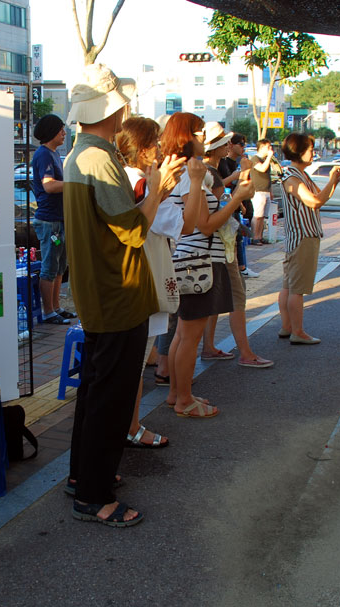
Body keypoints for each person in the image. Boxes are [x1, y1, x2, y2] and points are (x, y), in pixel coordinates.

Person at [63, 64, 184, 526]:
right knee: (109, 399)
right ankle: (94, 496)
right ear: (114, 109)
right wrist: (157, 190)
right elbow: (132, 231)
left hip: (100, 294)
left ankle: (83, 479)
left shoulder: (80, 154)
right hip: (118, 294)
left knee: (96, 392)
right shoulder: (100, 158)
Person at [163, 114, 253, 417]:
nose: (205, 139)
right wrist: (237, 196)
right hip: (199, 262)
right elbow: (204, 225)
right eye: (200, 133)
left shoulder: (185, 171)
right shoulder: (192, 174)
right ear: (186, 137)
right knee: (189, 335)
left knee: (183, 334)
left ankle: (178, 394)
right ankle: (184, 400)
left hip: (189, 260)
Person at [115, 115, 183, 449]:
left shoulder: (120, 179)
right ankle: (130, 427)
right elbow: (177, 224)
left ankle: (128, 426)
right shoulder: (142, 182)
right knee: (134, 363)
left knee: (131, 364)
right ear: (142, 149)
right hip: (143, 279)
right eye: (155, 142)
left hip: (128, 282)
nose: (160, 147)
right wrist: (169, 189)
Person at [199, 123, 273, 370]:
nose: (229, 145)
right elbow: (209, 213)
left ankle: (210, 347)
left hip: (219, 244)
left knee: (214, 300)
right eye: (224, 141)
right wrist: (237, 193)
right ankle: (245, 352)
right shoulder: (206, 172)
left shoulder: (206, 170)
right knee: (237, 297)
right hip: (218, 244)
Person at [277, 133, 340, 343]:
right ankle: (297, 332)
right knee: (297, 288)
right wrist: (333, 180)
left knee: (289, 285)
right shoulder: (292, 177)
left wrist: (335, 182)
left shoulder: (299, 175)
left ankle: (287, 327)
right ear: (299, 151)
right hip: (303, 236)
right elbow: (314, 202)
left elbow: (319, 198)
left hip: (299, 237)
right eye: (310, 149)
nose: (313, 153)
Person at [31, 113, 74, 324]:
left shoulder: (54, 154)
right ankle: (48, 311)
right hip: (50, 222)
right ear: (51, 133)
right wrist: (75, 185)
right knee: (49, 267)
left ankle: (56, 307)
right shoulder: (43, 155)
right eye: (60, 130)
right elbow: (49, 185)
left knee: (59, 267)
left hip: (59, 219)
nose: (64, 133)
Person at [217, 133, 260, 276]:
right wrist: (241, 174)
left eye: (244, 144)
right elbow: (224, 189)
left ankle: (241, 267)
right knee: (233, 240)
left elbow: (244, 189)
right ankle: (240, 268)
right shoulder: (220, 164)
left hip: (234, 207)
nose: (243, 147)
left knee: (237, 240)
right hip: (226, 210)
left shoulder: (234, 163)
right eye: (240, 144)